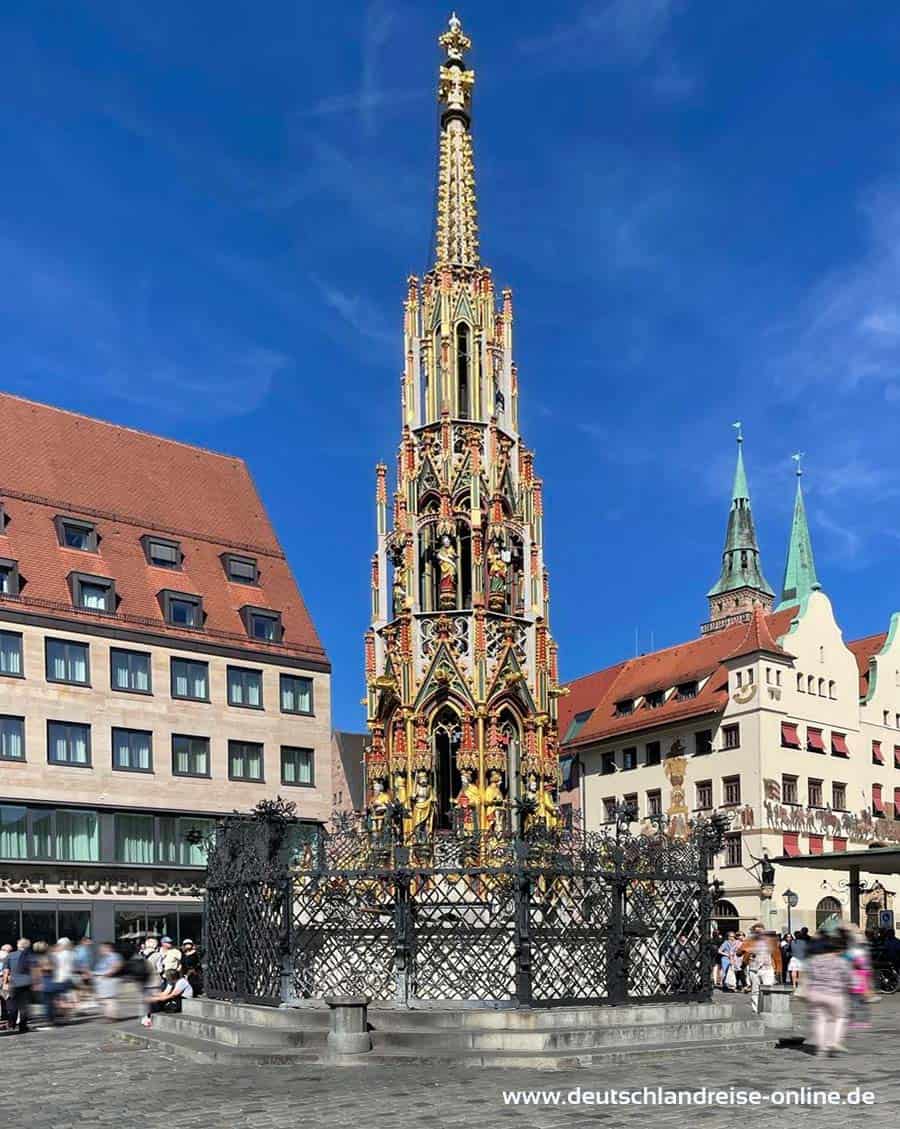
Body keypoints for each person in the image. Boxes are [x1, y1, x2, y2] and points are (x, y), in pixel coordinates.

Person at [805, 928, 852, 1056]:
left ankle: (822, 1048)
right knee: (840, 1017)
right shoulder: (841, 961)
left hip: (815, 993)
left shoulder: (814, 960)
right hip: (834, 994)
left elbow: (809, 975)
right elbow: (848, 977)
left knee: (820, 1020)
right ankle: (834, 1041)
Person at [3, 939, 36, 1034]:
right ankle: (23, 1026)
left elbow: (6, 971)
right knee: (24, 1006)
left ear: (18, 945)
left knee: (13, 1004)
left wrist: (5, 983)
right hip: (27, 983)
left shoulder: (10, 955)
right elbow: (34, 971)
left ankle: (12, 1025)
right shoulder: (30, 956)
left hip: (14, 983)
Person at [44, 937, 76, 1024]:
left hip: (59, 978)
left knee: (61, 999)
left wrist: (51, 950)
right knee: (66, 998)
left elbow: (51, 961)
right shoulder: (72, 954)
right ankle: (67, 1017)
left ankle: (61, 1017)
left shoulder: (59, 954)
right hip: (69, 977)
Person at [746, 923, 776, 1014]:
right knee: (755, 991)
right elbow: (745, 954)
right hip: (754, 968)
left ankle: (768, 1008)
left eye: (760, 931)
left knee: (768, 988)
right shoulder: (750, 941)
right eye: (756, 931)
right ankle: (756, 1009)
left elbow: (775, 954)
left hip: (766, 968)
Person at [93, 943, 124, 1021]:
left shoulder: (113, 956)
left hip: (109, 980)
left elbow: (116, 966)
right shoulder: (105, 957)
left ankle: (112, 1017)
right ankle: (109, 1016)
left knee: (109, 999)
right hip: (104, 980)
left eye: (102, 948)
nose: (100, 950)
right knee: (104, 1000)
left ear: (108, 948)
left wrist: (107, 975)